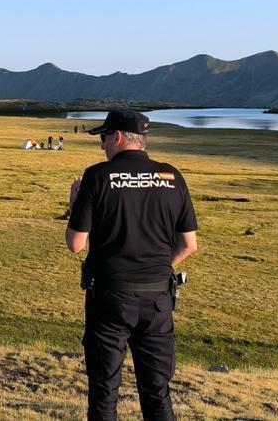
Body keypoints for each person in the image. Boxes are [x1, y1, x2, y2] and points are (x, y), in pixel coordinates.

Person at [65, 109, 198, 421]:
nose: (102, 146)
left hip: (109, 298)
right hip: (158, 300)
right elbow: (189, 244)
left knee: (104, 391)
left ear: (118, 137)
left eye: (104, 138)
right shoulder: (172, 176)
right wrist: (159, 267)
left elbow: (75, 244)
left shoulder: (97, 176)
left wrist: (74, 204)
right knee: (157, 391)